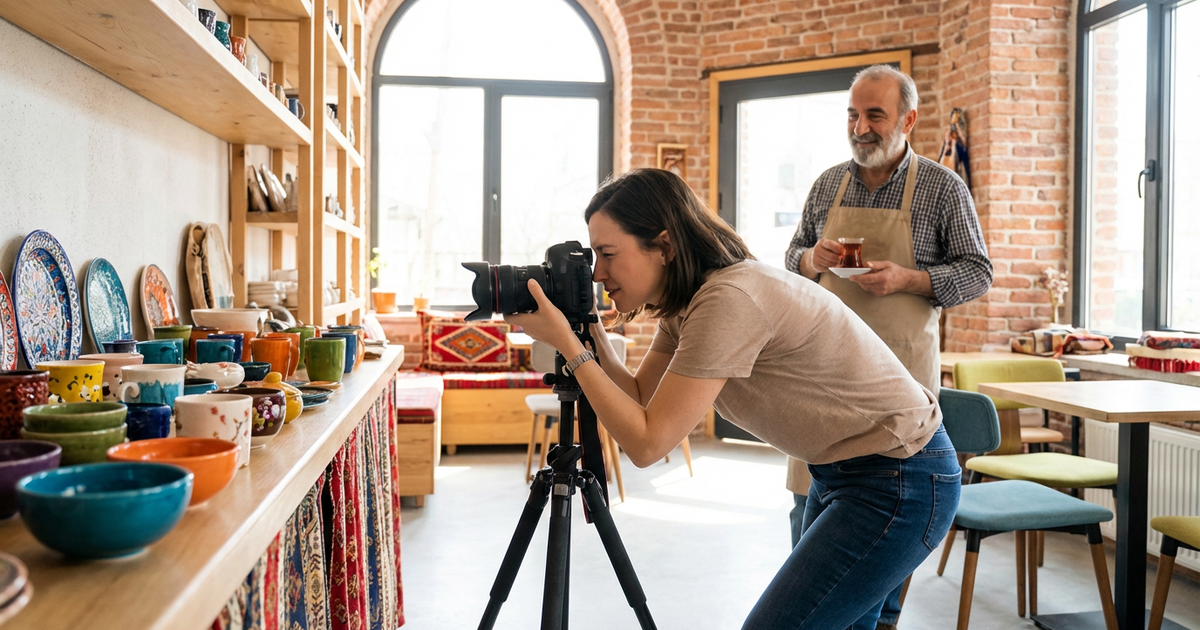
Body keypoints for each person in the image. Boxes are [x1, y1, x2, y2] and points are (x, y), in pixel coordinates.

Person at [507, 168, 960, 630]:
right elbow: (641, 396)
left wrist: (570, 345)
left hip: (899, 477)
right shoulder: (689, 303)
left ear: (664, 246)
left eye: (607, 254)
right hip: (845, 471)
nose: (597, 273)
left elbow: (646, 444)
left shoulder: (728, 299)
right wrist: (588, 325)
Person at [783, 64, 992, 629]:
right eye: (853, 114)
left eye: (874, 115)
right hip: (823, 379)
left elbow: (978, 272)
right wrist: (811, 258)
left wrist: (909, 279)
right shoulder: (827, 185)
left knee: (889, 520)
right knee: (809, 529)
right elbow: (792, 259)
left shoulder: (943, 188)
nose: (860, 127)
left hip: (901, 383)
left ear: (909, 119)